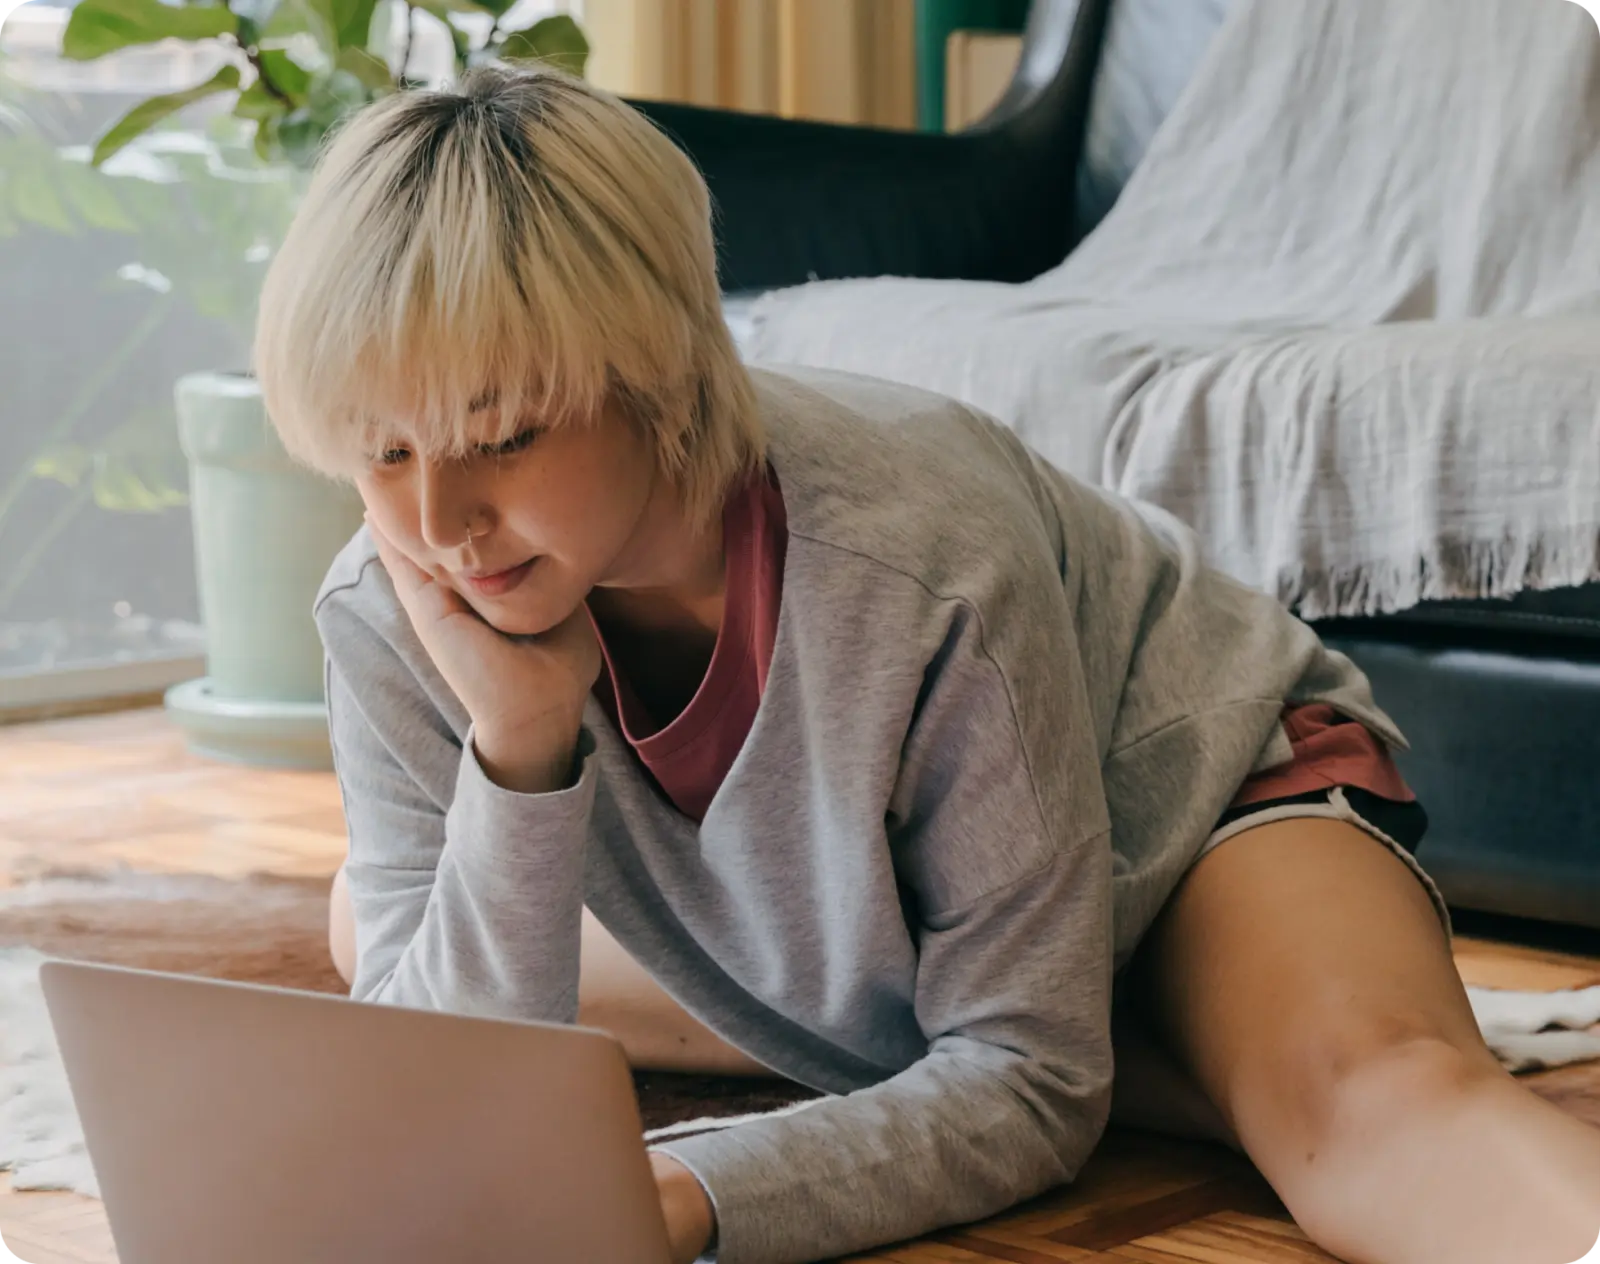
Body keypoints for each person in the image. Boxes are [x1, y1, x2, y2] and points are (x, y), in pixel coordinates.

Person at [253, 64, 1600, 1264]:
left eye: (499, 434)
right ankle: (1168, 1048)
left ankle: (1189, 1034)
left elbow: (1029, 1083)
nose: (438, 523)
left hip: (1191, 812)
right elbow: (439, 1095)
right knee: (378, 919)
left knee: (1369, 1100)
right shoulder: (401, 600)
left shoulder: (917, 554)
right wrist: (519, 750)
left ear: (650, 365)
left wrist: (680, 1200)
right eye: (382, 451)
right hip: (892, 928)